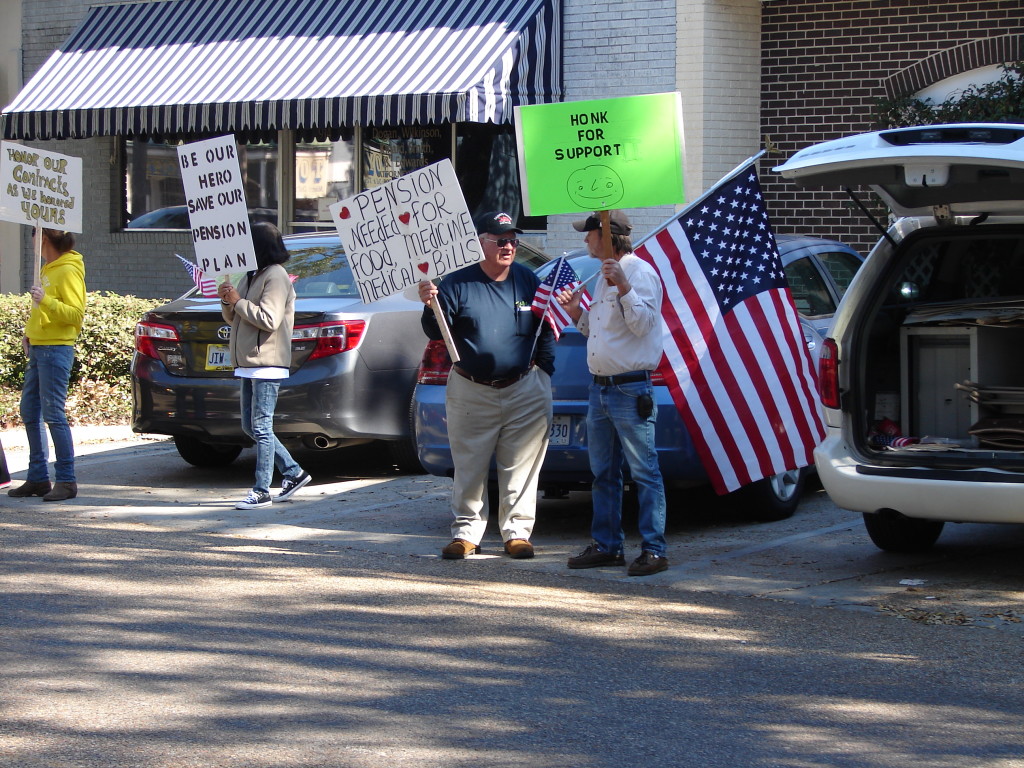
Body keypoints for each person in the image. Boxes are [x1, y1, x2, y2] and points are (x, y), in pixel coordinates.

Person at [418, 211, 554, 560]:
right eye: (500, 240)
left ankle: (517, 533)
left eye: (512, 239)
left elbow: (545, 328)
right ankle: (466, 533)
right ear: (480, 242)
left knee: (521, 466)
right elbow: (436, 332)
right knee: (469, 464)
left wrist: (545, 373)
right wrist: (429, 302)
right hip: (470, 388)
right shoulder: (455, 283)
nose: (508, 246)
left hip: (524, 387)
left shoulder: (528, 281)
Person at [556, 210, 669, 576]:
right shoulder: (602, 277)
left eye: (589, 234)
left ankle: (654, 550)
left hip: (631, 388)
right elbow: (600, 333)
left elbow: (645, 325)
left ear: (607, 236)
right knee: (603, 472)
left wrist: (624, 286)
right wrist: (576, 313)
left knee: (644, 471)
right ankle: (608, 545)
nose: (585, 241)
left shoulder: (639, 273)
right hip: (600, 389)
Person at [218, 222, 311, 510]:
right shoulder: (251, 275)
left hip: (267, 361)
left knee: (260, 425)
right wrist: (227, 301)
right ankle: (293, 472)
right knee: (250, 425)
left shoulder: (277, 276)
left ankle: (261, 490)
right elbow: (234, 318)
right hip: (249, 361)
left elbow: (269, 319)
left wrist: (239, 301)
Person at [8, 228, 86, 502]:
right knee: (30, 410)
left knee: (53, 414)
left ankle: (66, 480)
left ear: (43, 238)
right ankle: (38, 477)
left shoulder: (67, 270)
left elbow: (75, 315)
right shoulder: (48, 268)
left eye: (33, 238)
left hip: (56, 349)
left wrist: (47, 300)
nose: (31, 245)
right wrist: (30, 332)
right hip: (40, 347)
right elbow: (41, 312)